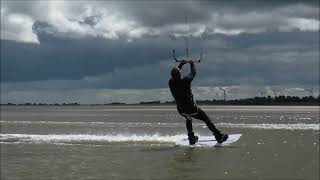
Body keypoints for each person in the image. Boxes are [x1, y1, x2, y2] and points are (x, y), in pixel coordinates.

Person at [169, 60, 228, 145]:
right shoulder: (186, 80)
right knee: (206, 119)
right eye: (180, 72)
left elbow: (176, 73)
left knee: (188, 118)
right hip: (191, 108)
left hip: (181, 109)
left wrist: (181, 64)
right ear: (179, 74)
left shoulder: (171, 82)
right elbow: (193, 72)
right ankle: (219, 136)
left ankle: (191, 137)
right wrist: (192, 63)